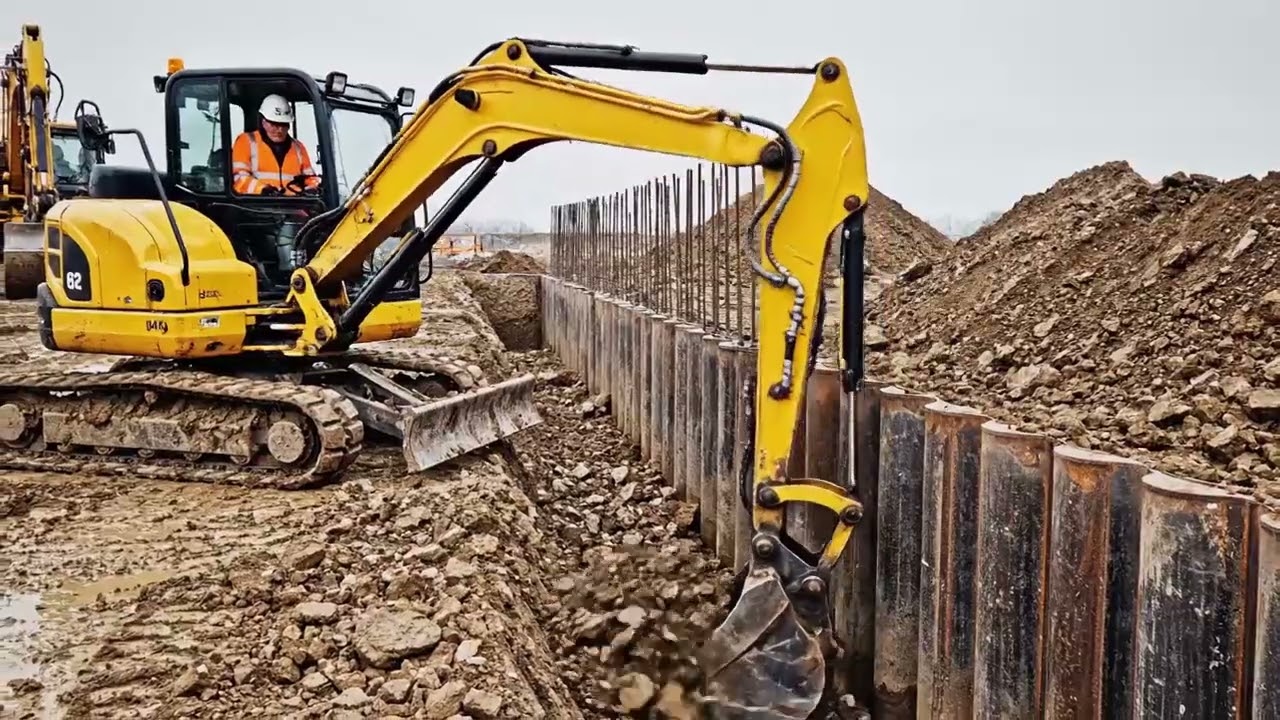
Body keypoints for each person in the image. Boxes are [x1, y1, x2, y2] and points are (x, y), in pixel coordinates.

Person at [231, 94, 321, 195]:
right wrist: (263, 190)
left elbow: (310, 178)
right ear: (263, 121)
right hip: (256, 206)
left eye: (284, 124)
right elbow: (239, 178)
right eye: (274, 124)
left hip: (294, 206)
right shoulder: (246, 141)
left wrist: (312, 188)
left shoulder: (298, 147)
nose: (280, 130)